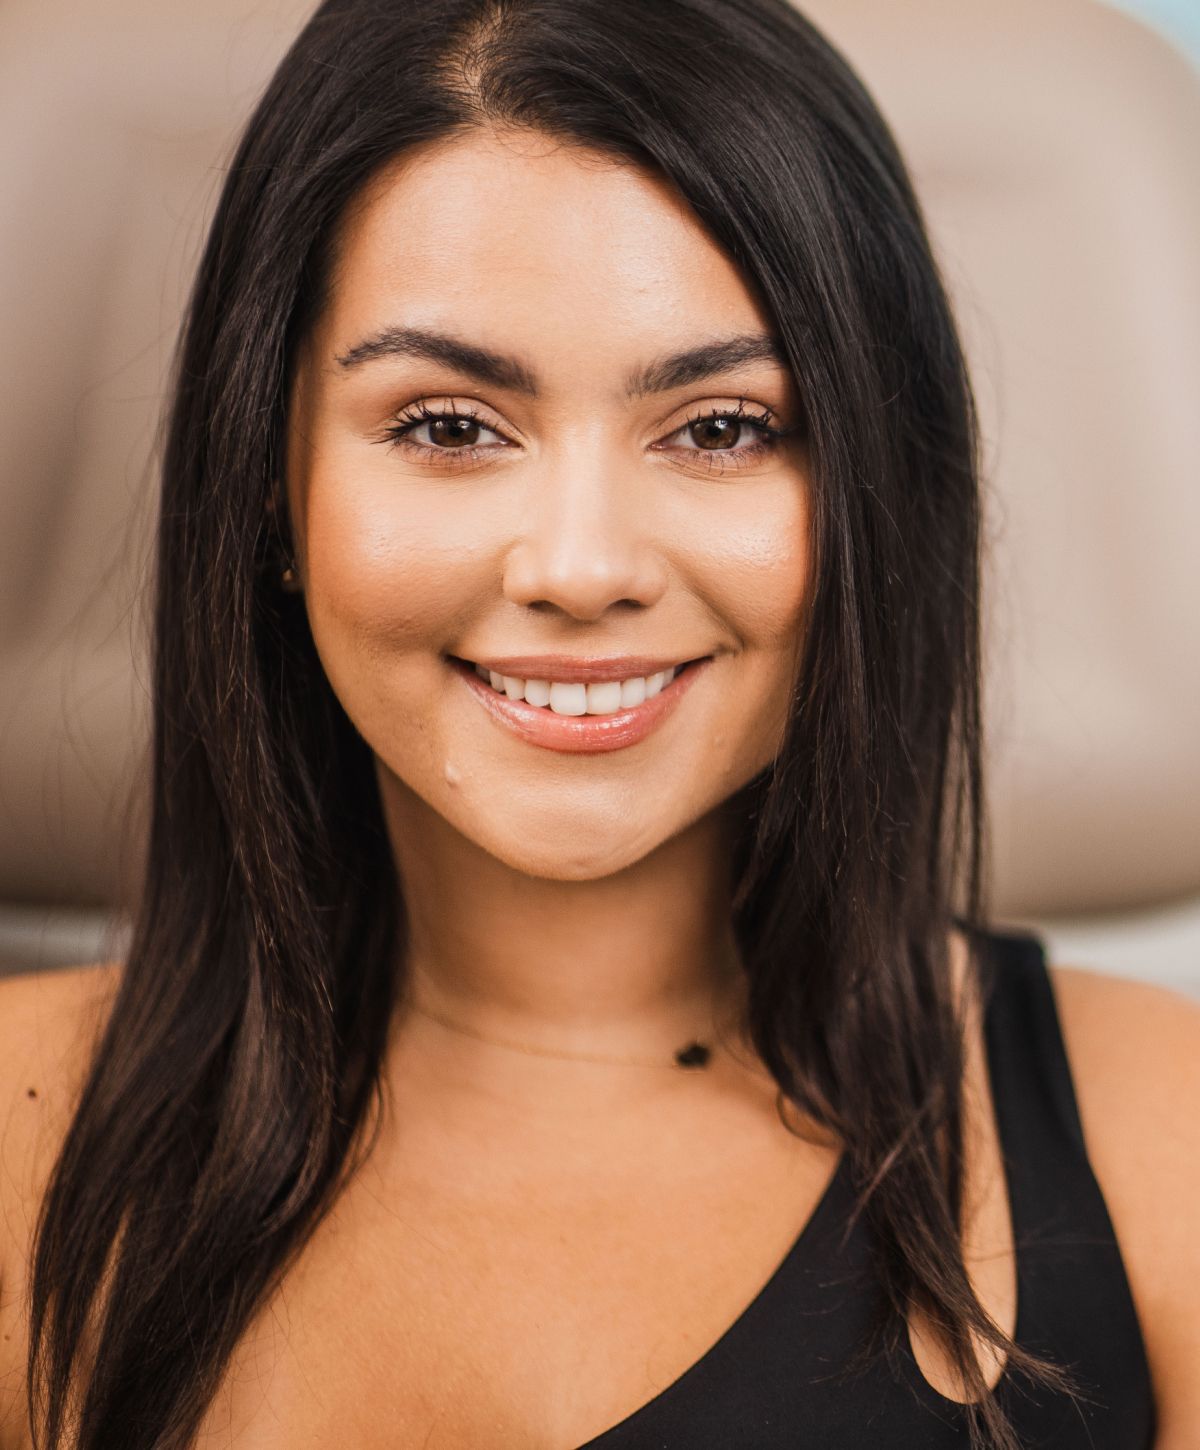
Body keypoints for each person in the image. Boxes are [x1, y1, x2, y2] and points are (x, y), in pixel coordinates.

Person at [0, 0, 1195, 1446]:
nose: (579, 567)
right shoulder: (16, 1140)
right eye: (447, 425)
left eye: (721, 428)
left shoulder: (1164, 1147)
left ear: (874, 498)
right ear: (273, 484)